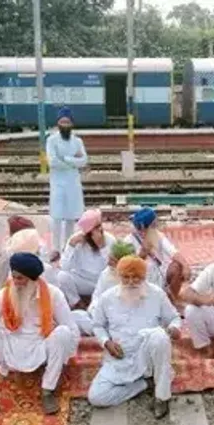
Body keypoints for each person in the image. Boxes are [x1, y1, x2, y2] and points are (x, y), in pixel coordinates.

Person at [0, 253, 78, 424]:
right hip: (9, 346)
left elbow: (72, 329)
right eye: (14, 277)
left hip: (40, 346)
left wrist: (61, 357)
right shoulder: (6, 293)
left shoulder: (54, 294)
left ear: (34, 280)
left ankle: (48, 391)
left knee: (63, 333)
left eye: (21, 279)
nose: (16, 283)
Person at [87, 256, 182, 419]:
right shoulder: (107, 298)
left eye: (136, 277)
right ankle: (144, 384)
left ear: (144, 277)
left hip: (148, 355)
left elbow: (174, 318)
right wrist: (106, 342)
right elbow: (98, 325)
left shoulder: (156, 294)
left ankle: (162, 396)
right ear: (119, 276)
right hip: (120, 356)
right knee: (96, 397)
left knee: (159, 336)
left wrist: (173, 328)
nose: (131, 282)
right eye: (126, 277)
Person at [125, 207, 191, 306]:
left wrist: (185, 265)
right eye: (154, 223)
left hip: (160, 277)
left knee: (177, 266)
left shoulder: (158, 235)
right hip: (141, 281)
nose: (157, 225)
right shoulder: (128, 241)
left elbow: (173, 253)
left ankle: (172, 300)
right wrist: (142, 255)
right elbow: (129, 268)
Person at [70, 241, 137, 336]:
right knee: (75, 316)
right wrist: (97, 313)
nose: (109, 263)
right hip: (102, 319)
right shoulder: (106, 274)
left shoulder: (135, 279)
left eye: (113, 261)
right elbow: (96, 298)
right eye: (109, 258)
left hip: (125, 325)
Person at [46, 107, 88, 255]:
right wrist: (73, 160)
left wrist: (65, 158)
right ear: (58, 123)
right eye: (62, 122)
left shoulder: (77, 141)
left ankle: (67, 247)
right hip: (57, 184)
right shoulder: (51, 140)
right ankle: (56, 249)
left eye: (67, 122)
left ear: (72, 124)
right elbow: (52, 162)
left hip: (73, 183)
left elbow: (84, 161)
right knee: (56, 217)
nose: (64, 124)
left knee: (71, 217)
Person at [58, 209, 116, 309]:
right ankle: (77, 303)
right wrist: (71, 246)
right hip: (83, 280)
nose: (100, 231)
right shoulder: (75, 240)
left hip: (102, 281)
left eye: (99, 226)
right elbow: (64, 266)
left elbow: (111, 267)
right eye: (96, 228)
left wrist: (102, 248)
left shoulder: (110, 239)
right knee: (62, 276)